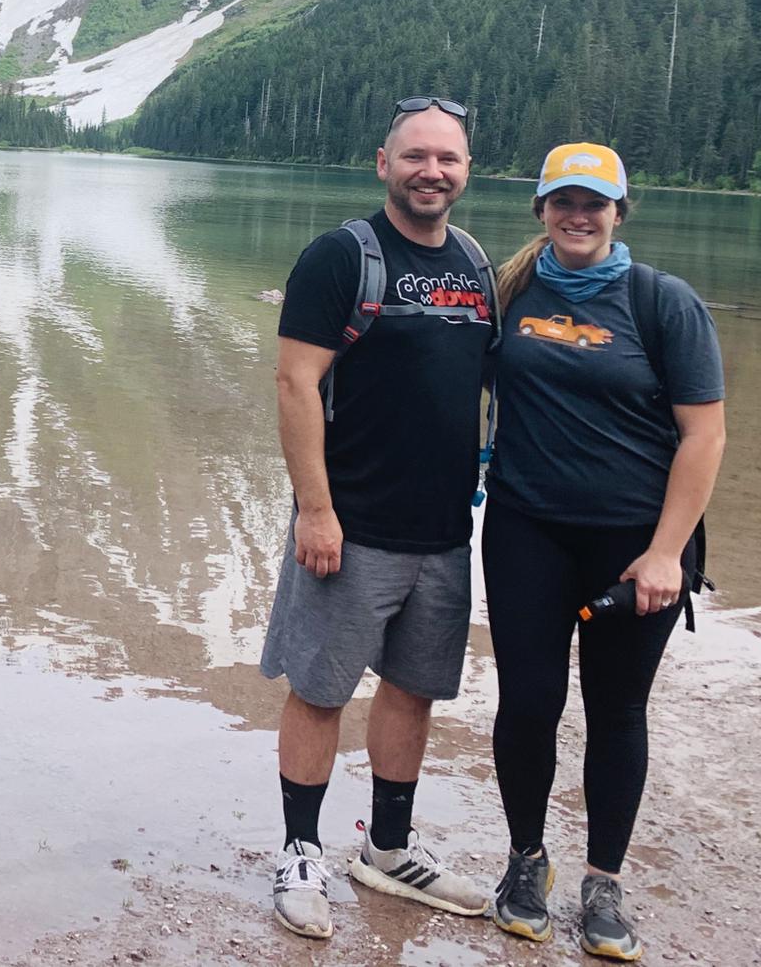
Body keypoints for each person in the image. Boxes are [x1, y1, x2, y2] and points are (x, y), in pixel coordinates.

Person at [484, 143, 726, 961]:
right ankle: (526, 862)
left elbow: (703, 436)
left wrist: (666, 553)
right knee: (528, 701)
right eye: (564, 201)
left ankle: (603, 881)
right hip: (524, 529)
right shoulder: (510, 290)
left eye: (594, 203)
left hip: (632, 545)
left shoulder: (663, 303)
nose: (578, 216)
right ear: (542, 209)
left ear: (620, 211)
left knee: (617, 710)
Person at [262, 96, 496, 939]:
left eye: (448, 159)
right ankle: (300, 852)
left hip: (443, 533)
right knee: (320, 691)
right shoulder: (341, 257)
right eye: (415, 156)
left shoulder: (473, 262)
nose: (432, 172)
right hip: (351, 527)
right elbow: (295, 384)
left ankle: (388, 850)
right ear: (383, 164)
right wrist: (316, 511)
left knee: (413, 690)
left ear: (466, 171)